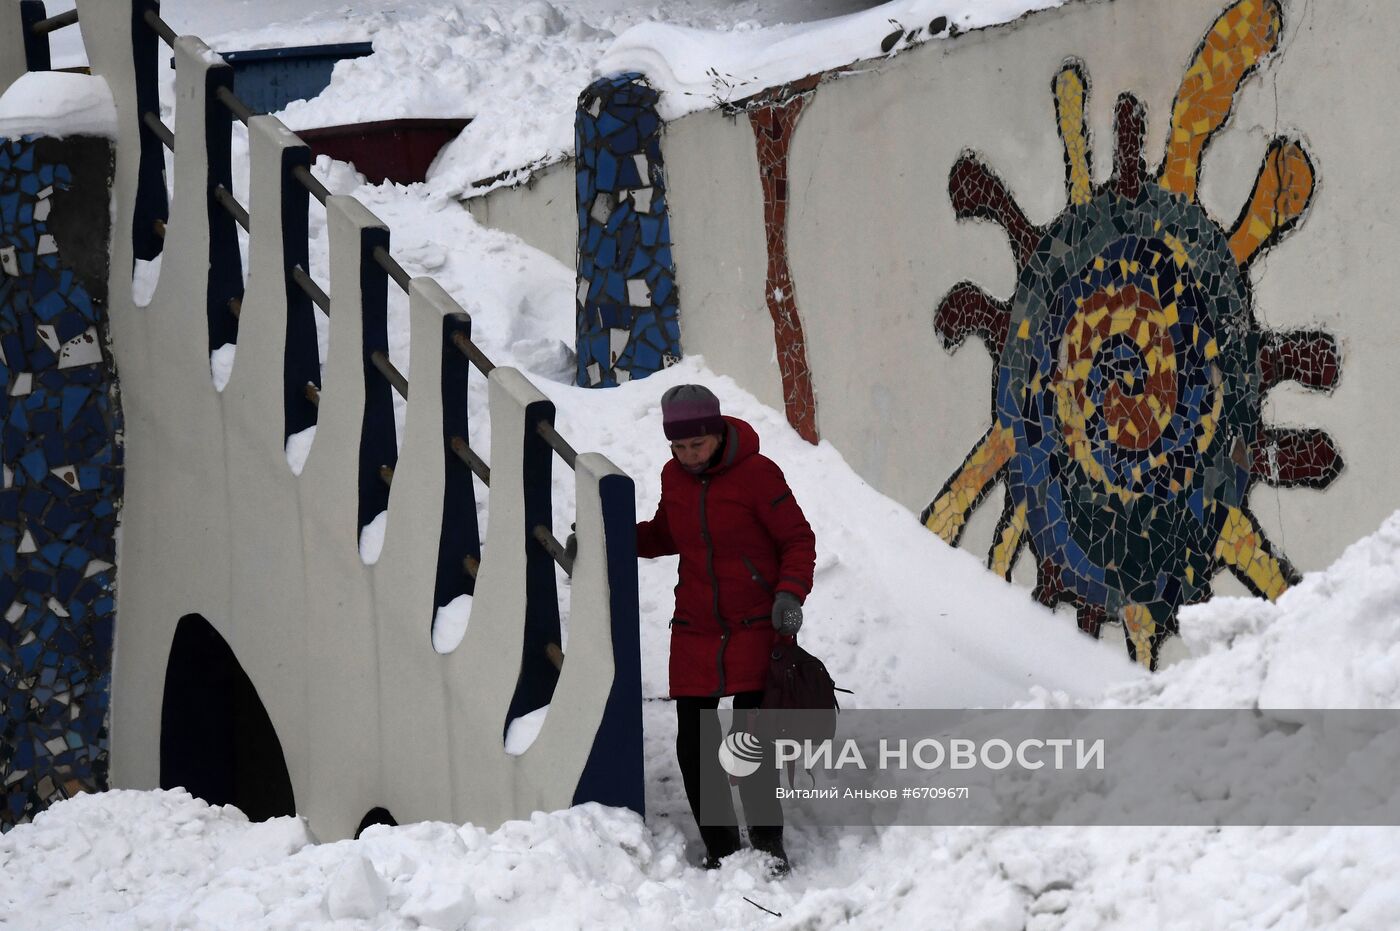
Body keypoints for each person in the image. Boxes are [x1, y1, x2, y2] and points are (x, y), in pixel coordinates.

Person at [637, 384, 816, 874]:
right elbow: (666, 533)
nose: (689, 455)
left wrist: (789, 593)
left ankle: (766, 839)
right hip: (696, 626)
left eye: (698, 444)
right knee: (694, 742)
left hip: (757, 624)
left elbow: (797, 538)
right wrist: (608, 531)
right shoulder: (674, 477)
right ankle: (721, 847)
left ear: (717, 433)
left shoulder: (758, 475)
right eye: (679, 446)